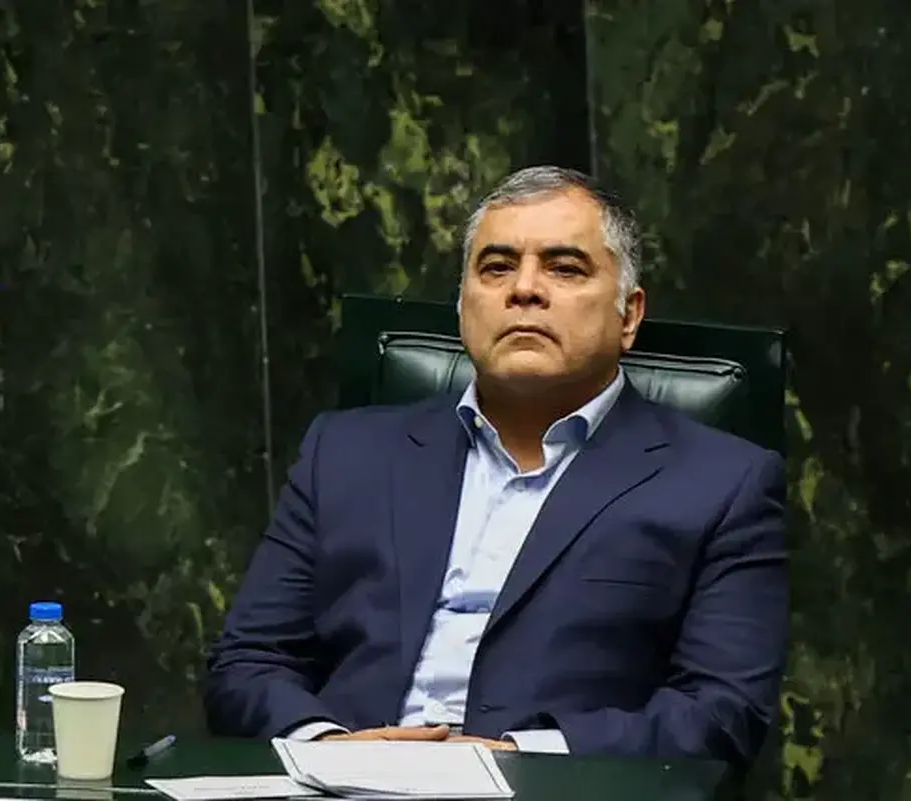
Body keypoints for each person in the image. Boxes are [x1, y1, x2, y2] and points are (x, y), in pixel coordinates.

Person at [203, 166, 788, 765]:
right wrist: (330, 748)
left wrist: (516, 756)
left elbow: (722, 711)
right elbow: (247, 663)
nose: (524, 290)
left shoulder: (723, 484)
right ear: (463, 305)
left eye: (564, 268)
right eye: (497, 267)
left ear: (629, 315)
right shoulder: (345, 453)